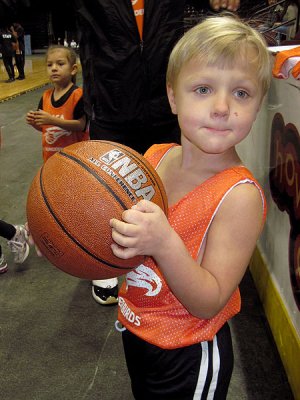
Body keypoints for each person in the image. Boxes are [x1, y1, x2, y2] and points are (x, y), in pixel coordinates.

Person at [110, 14, 271, 398]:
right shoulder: (155, 157)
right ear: (172, 96)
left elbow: (210, 301)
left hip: (190, 350)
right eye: (202, 89)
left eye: (241, 93)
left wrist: (163, 243)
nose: (221, 107)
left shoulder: (239, 195)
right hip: (137, 329)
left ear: (258, 104)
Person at [71, 0, 240, 306]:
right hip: (112, 102)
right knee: (107, 186)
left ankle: (171, 258)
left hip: (163, 102)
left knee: (166, 185)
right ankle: (105, 259)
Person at [26, 45, 88, 162]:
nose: (54, 68)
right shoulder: (46, 96)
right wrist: (34, 123)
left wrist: (52, 120)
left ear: (73, 69)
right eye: (49, 65)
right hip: (51, 158)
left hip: (74, 158)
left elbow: (81, 125)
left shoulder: (78, 95)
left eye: (60, 64)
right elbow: (46, 128)